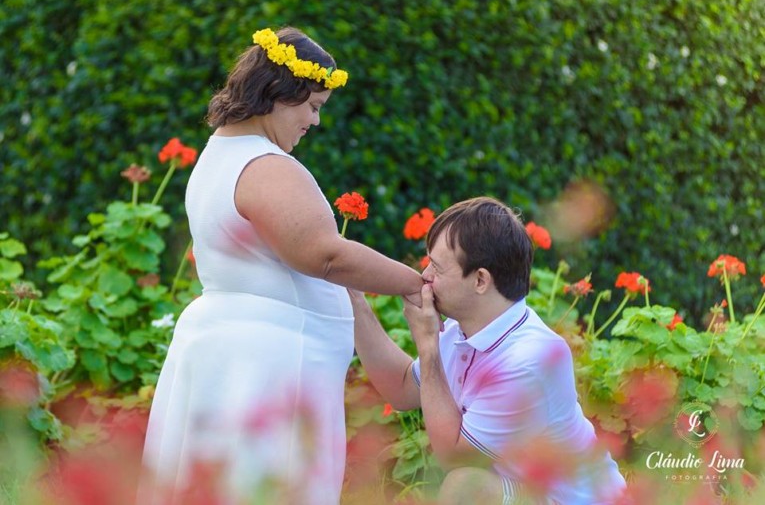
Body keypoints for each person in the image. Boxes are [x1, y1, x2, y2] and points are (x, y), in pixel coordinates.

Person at [139, 27, 423, 505]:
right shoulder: (262, 164)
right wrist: (414, 283)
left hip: (242, 355)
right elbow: (324, 254)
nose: (315, 122)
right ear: (277, 93)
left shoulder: (220, 156)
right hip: (266, 368)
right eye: (312, 107)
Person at [350, 197, 626, 504]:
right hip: (525, 490)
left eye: (437, 268)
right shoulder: (466, 331)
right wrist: (353, 300)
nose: (425, 275)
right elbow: (401, 388)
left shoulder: (526, 360)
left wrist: (428, 347)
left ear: (481, 280)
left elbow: (455, 459)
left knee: (466, 487)